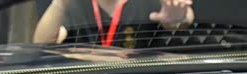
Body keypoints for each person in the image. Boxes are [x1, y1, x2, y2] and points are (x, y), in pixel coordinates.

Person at [33, 0, 195, 47]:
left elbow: (183, 20)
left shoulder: (147, 2)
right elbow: (41, 43)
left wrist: (178, 17)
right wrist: (60, 3)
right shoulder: (74, 5)